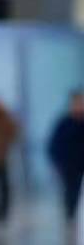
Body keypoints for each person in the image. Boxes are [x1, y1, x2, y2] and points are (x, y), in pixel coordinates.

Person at [47, 89, 84, 226]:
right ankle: (70, 217)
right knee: (71, 193)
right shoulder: (64, 123)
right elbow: (53, 146)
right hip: (70, 167)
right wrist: (59, 163)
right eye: (77, 103)